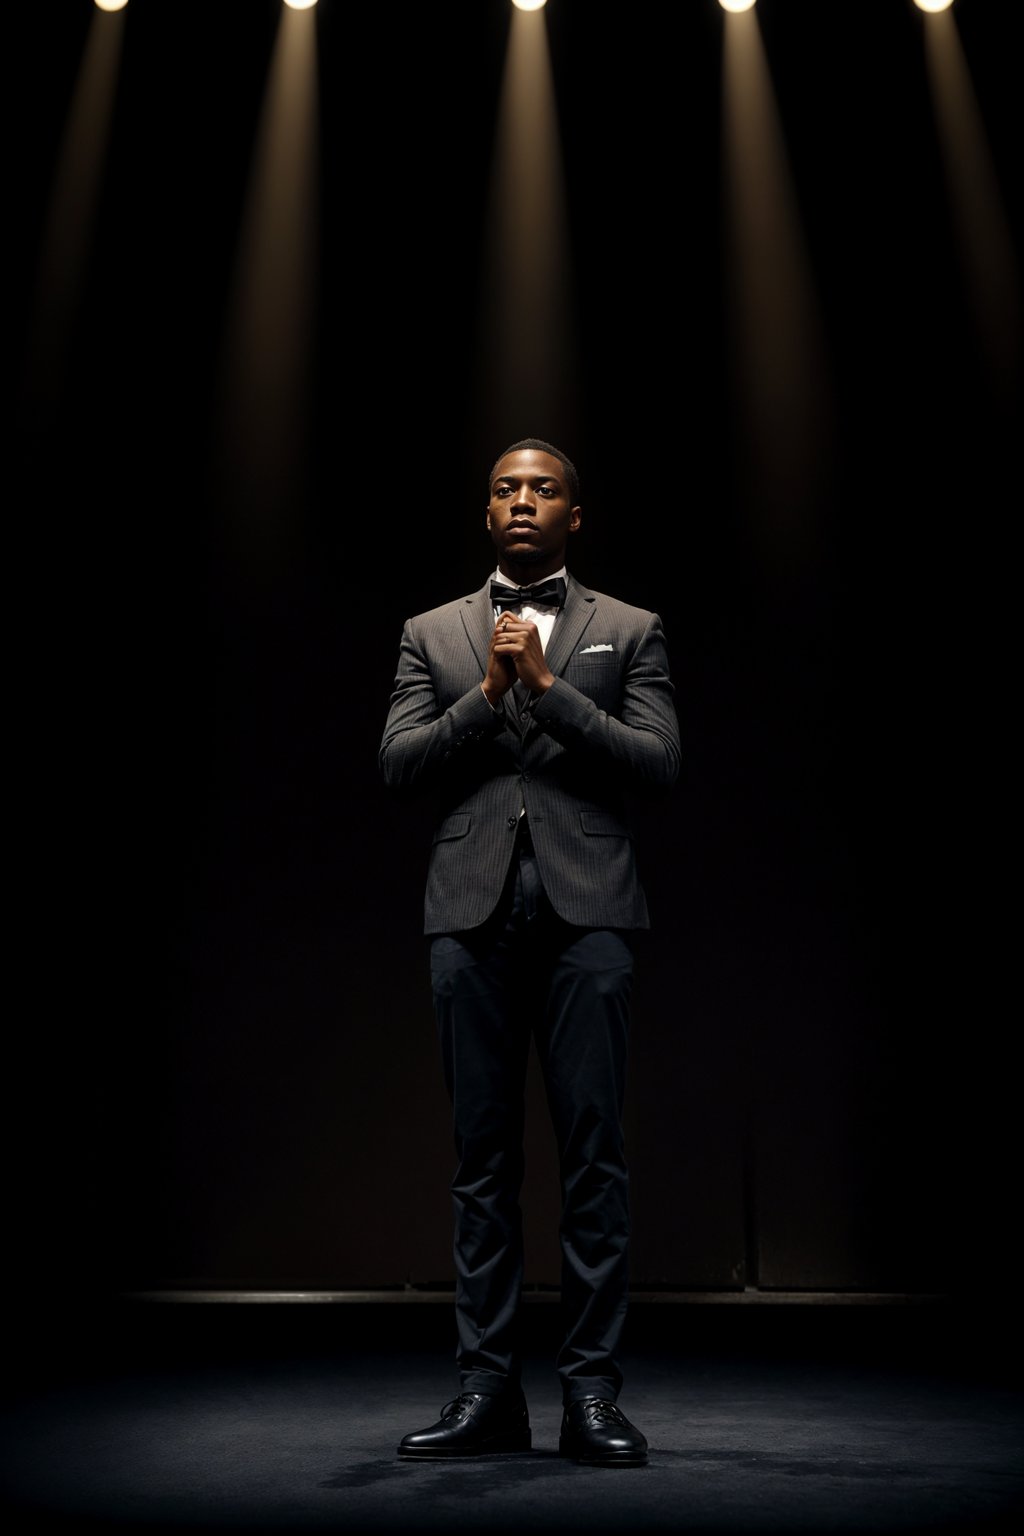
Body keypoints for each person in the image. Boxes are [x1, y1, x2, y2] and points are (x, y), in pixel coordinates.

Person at [378, 437, 680, 1467]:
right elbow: (397, 766)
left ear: (573, 515)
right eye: (505, 487)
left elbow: (659, 761)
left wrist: (549, 689)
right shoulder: (431, 632)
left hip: (590, 913)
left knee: (594, 1162)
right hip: (467, 919)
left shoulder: (627, 629)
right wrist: (484, 696)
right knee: (481, 1167)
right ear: (486, 509)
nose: (521, 500)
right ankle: (486, 1393)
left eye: (542, 488)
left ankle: (591, 1396)